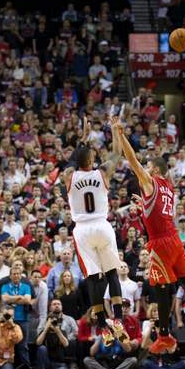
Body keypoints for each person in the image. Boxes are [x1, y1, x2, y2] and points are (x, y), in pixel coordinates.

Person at [113, 112, 185, 354]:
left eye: (149, 167)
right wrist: (144, 207)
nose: (145, 169)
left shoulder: (151, 181)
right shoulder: (169, 189)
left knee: (161, 289)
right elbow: (160, 213)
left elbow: (132, 160)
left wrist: (121, 135)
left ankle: (164, 336)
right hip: (174, 239)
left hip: (161, 243)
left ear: (154, 169)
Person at [63, 113, 125, 344]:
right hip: (102, 225)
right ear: (92, 159)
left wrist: (82, 138)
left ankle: (102, 326)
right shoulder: (102, 172)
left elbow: (71, 161)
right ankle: (118, 319)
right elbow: (117, 153)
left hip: (82, 230)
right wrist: (116, 131)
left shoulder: (69, 176)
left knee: (93, 278)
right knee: (111, 273)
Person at [140, 303, 185, 369]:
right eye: (154, 311)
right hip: (156, 363)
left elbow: (171, 351)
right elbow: (143, 346)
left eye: (158, 311)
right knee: (145, 362)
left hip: (168, 363)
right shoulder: (151, 334)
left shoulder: (170, 332)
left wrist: (164, 331)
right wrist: (150, 327)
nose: (156, 313)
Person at [36, 299, 79, 369]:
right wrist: (46, 328)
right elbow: (38, 342)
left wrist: (57, 330)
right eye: (54, 304)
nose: (56, 305)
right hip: (47, 360)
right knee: (42, 348)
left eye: (58, 304)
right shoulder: (44, 323)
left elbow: (67, 343)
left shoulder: (63, 329)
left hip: (59, 361)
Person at [1, 268, 32, 367]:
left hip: (23, 320)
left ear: (21, 276)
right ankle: (7, 366)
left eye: (18, 274)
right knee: (7, 344)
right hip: (8, 320)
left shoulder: (26, 287)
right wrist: (19, 297)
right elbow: (5, 299)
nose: (16, 276)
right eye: (14, 274)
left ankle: (26, 368)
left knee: (23, 346)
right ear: (10, 276)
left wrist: (11, 299)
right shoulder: (5, 286)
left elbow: (27, 300)